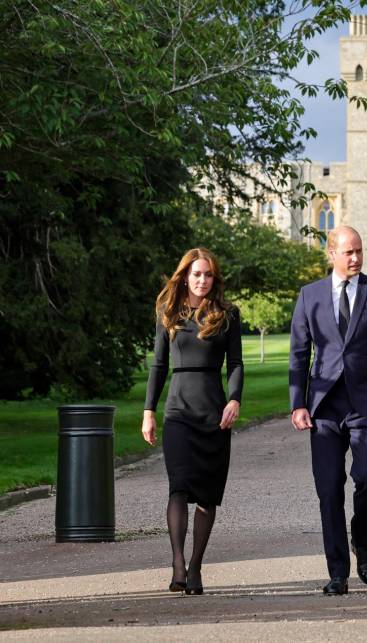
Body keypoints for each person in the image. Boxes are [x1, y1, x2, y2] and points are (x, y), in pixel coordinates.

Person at [289, 225, 367, 596]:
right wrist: (298, 403)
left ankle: (362, 538)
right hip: (324, 405)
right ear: (332, 254)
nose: (356, 258)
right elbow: (298, 354)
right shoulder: (310, 296)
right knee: (329, 489)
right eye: (349, 252)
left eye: (359, 251)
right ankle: (337, 571)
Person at [142, 248, 244, 596]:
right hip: (178, 413)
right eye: (197, 274)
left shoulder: (227, 314)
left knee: (207, 495)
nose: (202, 280)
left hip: (214, 414)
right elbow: (157, 365)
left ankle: (197, 565)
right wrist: (148, 411)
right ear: (185, 275)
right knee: (179, 486)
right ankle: (178, 563)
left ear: (214, 279)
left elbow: (237, 365)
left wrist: (234, 398)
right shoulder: (168, 312)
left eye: (208, 275)